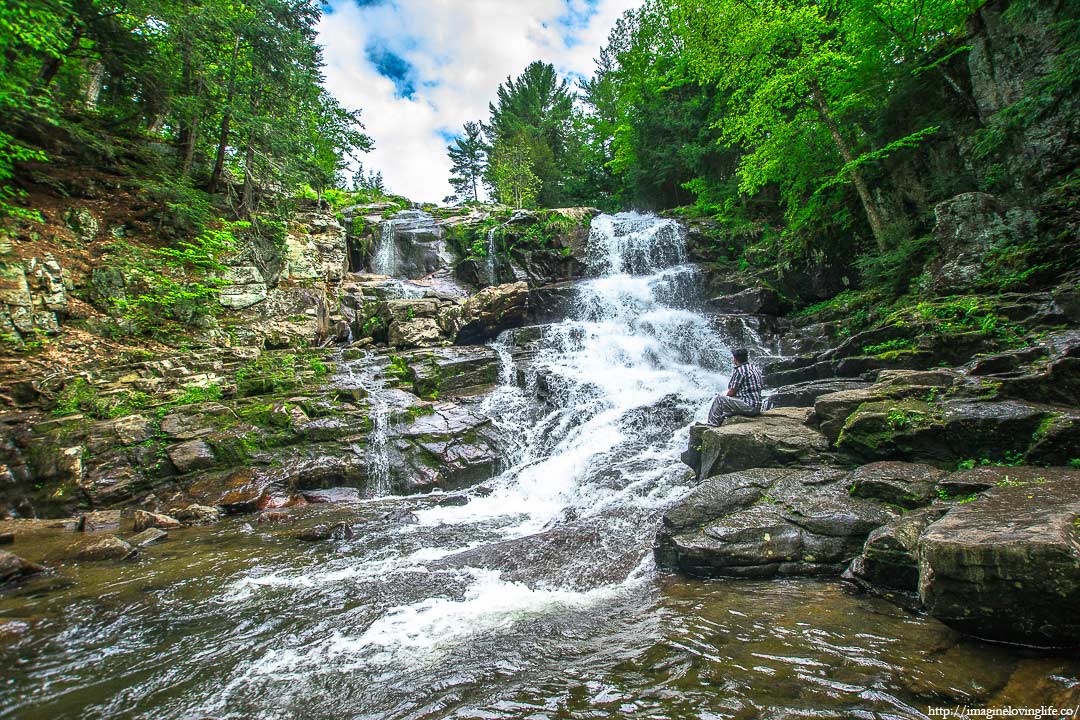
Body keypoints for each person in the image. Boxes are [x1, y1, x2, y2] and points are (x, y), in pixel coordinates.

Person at [708, 347, 763, 426]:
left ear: (735, 359)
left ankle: (712, 424)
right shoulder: (754, 368)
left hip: (749, 407)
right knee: (727, 402)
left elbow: (732, 392)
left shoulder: (740, 371)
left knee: (720, 399)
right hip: (757, 406)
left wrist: (726, 400)